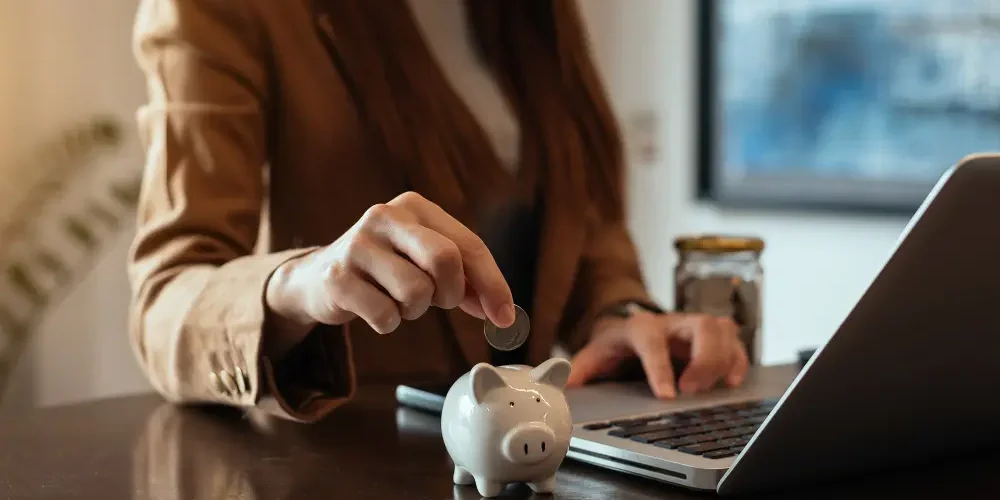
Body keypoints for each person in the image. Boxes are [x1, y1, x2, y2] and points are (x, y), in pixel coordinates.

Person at [127, 0, 750, 423]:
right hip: (342, 464)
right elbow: (164, 299)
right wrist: (304, 282)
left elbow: (578, 212)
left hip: (519, 449)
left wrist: (621, 313)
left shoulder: (535, 12)